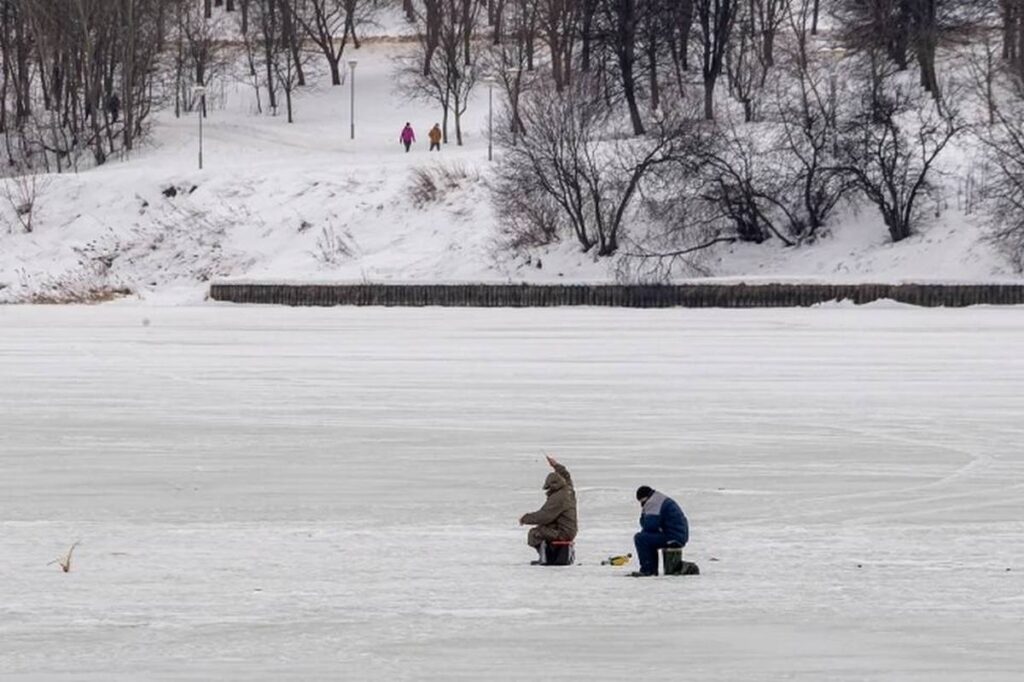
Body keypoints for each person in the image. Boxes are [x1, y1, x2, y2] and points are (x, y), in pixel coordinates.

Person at [519, 455, 577, 563]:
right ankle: (550, 555)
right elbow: (566, 476)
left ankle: (545, 558)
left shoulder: (558, 497)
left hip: (563, 533)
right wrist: (555, 465)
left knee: (534, 533)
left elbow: (545, 516)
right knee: (543, 528)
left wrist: (525, 518)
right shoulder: (568, 489)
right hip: (568, 530)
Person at [632, 485, 688, 577]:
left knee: (640, 538)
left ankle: (648, 570)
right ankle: (651, 569)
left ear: (644, 498)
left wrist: (644, 513)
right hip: (677, 534)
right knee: (646, 537)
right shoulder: (658, 499)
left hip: (673, 537)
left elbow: (649, 525)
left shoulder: (653, 503)